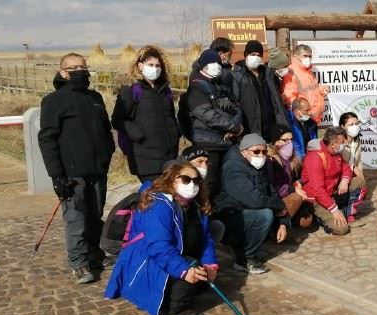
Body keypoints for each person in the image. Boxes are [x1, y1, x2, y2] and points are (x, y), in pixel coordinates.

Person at [104, 162, 219, 315]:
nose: (192, 184)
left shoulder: (196, 206)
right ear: (171, 180)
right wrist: (184, 270)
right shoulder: (158, 205)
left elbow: (206, 238)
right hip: (148, 258)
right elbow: (158, 247)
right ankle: (175, 310)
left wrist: (210, 263)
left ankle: (181, 287)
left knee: (201, 272)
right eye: (186, 179)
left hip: (179, 252)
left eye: (196, 181)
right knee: (190, 269)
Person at [38, 53, 115, 284]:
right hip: (72, 173)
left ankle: (95, 254)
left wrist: (107, 154)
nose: (79, 71)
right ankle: (79, 263)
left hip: (97, 170)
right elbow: (48, 139)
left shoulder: (95, 97)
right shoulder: (54, 101)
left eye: (82, 67)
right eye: (73, 68)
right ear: (63, 72)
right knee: (76, 219)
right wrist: (56, 175)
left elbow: (105, 131)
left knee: (95, 215)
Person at [214, 134, 288, 274]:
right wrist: (278, 207)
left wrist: (283, 220)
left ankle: (247, 247)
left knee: (270, 211)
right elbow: (254, 200)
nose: (261, 155)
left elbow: (271, 192)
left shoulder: (261, 165)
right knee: (265, 215)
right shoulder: (233, 168)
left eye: (264, 151)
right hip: (229, 216)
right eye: (256, 151)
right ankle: (244, 259)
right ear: (244, 152)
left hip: (246, 212)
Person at [178, 48, 243, 198]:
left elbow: (236, 108)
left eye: (219, 63)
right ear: (203, 65)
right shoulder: (196, 89)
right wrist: (233, 125)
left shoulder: (219, 86)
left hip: (226, 142)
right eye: (213, 62)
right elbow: (207, 115)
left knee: (225, 184)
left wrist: (236, 126)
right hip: (207, 145)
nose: (217, 66)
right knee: (208, 185)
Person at [112, 45, 180, 183]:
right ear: (140, 66)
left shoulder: (165, 91)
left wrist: (177, 131)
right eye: (151, 65)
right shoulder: (131, 90)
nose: (155, 69)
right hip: (145, 159)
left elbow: (171, 116)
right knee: (153, 198)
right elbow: (117, 119)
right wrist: (138, 133)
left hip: (169, 155)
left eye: (157, 65)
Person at [301, 126, 353, 235]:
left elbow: (346, 168)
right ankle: (320, 217)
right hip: (316, 199)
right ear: (333, 143)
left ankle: (344, 210)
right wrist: (334, 210)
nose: (345, 144)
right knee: (342, 229)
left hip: (330, 192)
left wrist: (345, 180)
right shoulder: (315, 157)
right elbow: (318, 190)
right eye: (343, 141)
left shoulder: (335, 152)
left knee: (359, 182)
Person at [232, 40, 288, 141]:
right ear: (246, 55)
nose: (256, 57)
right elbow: (235, 102)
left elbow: (275, 101)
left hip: (271, 129)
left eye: (258, 55)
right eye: (253, 54)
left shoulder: (268, 74)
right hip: (250, 129)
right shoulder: (237, 75)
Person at [266, 125, 314, 231]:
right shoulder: (271, 161)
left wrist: (298, 184)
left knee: (306, 220)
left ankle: (289, 222)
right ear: (275, 142)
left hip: (290, 193)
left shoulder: (293, 159)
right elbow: (275, 187)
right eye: (285, 140)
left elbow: (299, 178)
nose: (289, 143)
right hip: (278, 198)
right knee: (296, 198)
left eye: (291, 139)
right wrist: (294, 189)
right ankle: (277, 227)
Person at [280, 44, 329, 124]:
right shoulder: (291, 72)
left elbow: (313, 88)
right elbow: (289, 96)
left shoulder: (308, 71)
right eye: (305, 56)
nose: (308, 58)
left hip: (312, 117)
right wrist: (300, 112)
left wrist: (323, 89)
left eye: (310, 56)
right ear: (296, 56)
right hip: (301, 118)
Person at [338, 112, 368, 222]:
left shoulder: (357, 140)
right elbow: (339, 164)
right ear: (342, 127)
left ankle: (349, 207)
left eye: (356, 123)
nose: (354, 127)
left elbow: (359, 161)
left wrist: (362, 178)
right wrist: (353, 169)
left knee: (362, 184)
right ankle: (344, 208)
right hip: (340, 178)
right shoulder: (338, 143)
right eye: (351, 124)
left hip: (351, 174)